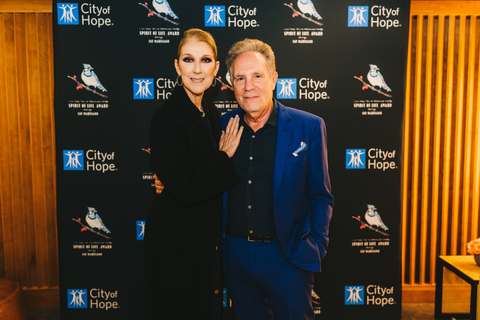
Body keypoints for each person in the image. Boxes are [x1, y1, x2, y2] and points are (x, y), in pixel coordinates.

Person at [155, 38, 333, 320]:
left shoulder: (308, 126)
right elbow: (195, 173)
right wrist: (166, 178)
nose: (249, 86)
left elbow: (321, 196)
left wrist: (315, 245)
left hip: (287, 257)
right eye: (240, 78)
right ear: (230, 84)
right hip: (234, 257)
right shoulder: (220, 124)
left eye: (257, 76)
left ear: (274, 79)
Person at [144, 28, 243, 320]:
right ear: (177, 66)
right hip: (175, 241)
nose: (197, 69)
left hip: (202, 239)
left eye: (205, 60)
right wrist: (223, 156)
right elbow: (186, 188)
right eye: (189, 60)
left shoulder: (210, 112)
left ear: (216, 68)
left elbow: (197, 176)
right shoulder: (166, 117)